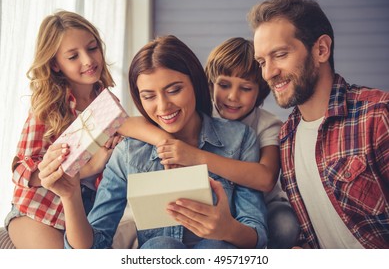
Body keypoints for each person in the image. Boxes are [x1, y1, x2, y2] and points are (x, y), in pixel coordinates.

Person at [38, 35, 268, 249]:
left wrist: (228, 229)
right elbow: (95, 247)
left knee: (214, 246)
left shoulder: (240, 139)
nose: (163, 106)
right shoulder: (129, 153)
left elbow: (258, 235)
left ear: (196, 84)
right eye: (149, 96)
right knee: (161, 246)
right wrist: (70, 197)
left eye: (174, 90)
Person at [247, 0, 389, 249]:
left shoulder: (378, 116)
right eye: (261, 61)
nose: (268, 73)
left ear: (321, 50)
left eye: (280, 55)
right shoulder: (287, 138)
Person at [140, 37, 299, 248]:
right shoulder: (203, 113)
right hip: (219, 203)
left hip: (265, 203)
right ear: (210, 84)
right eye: (224, 85)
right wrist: (164, 139)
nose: (232, 96)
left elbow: (266, 178)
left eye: (245, 88)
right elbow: (128, 124)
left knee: (285, 225)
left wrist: (195, 156)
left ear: (260, 92)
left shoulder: (267, 124)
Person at [5, 10, 122, 248]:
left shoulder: (110, 104)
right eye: (73, 56)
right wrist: (87, 166)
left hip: (83, 214)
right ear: (56, 65)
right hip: (38, 212)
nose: (88, 61)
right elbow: (19, 170)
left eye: (92, 48)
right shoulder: (47, 108)